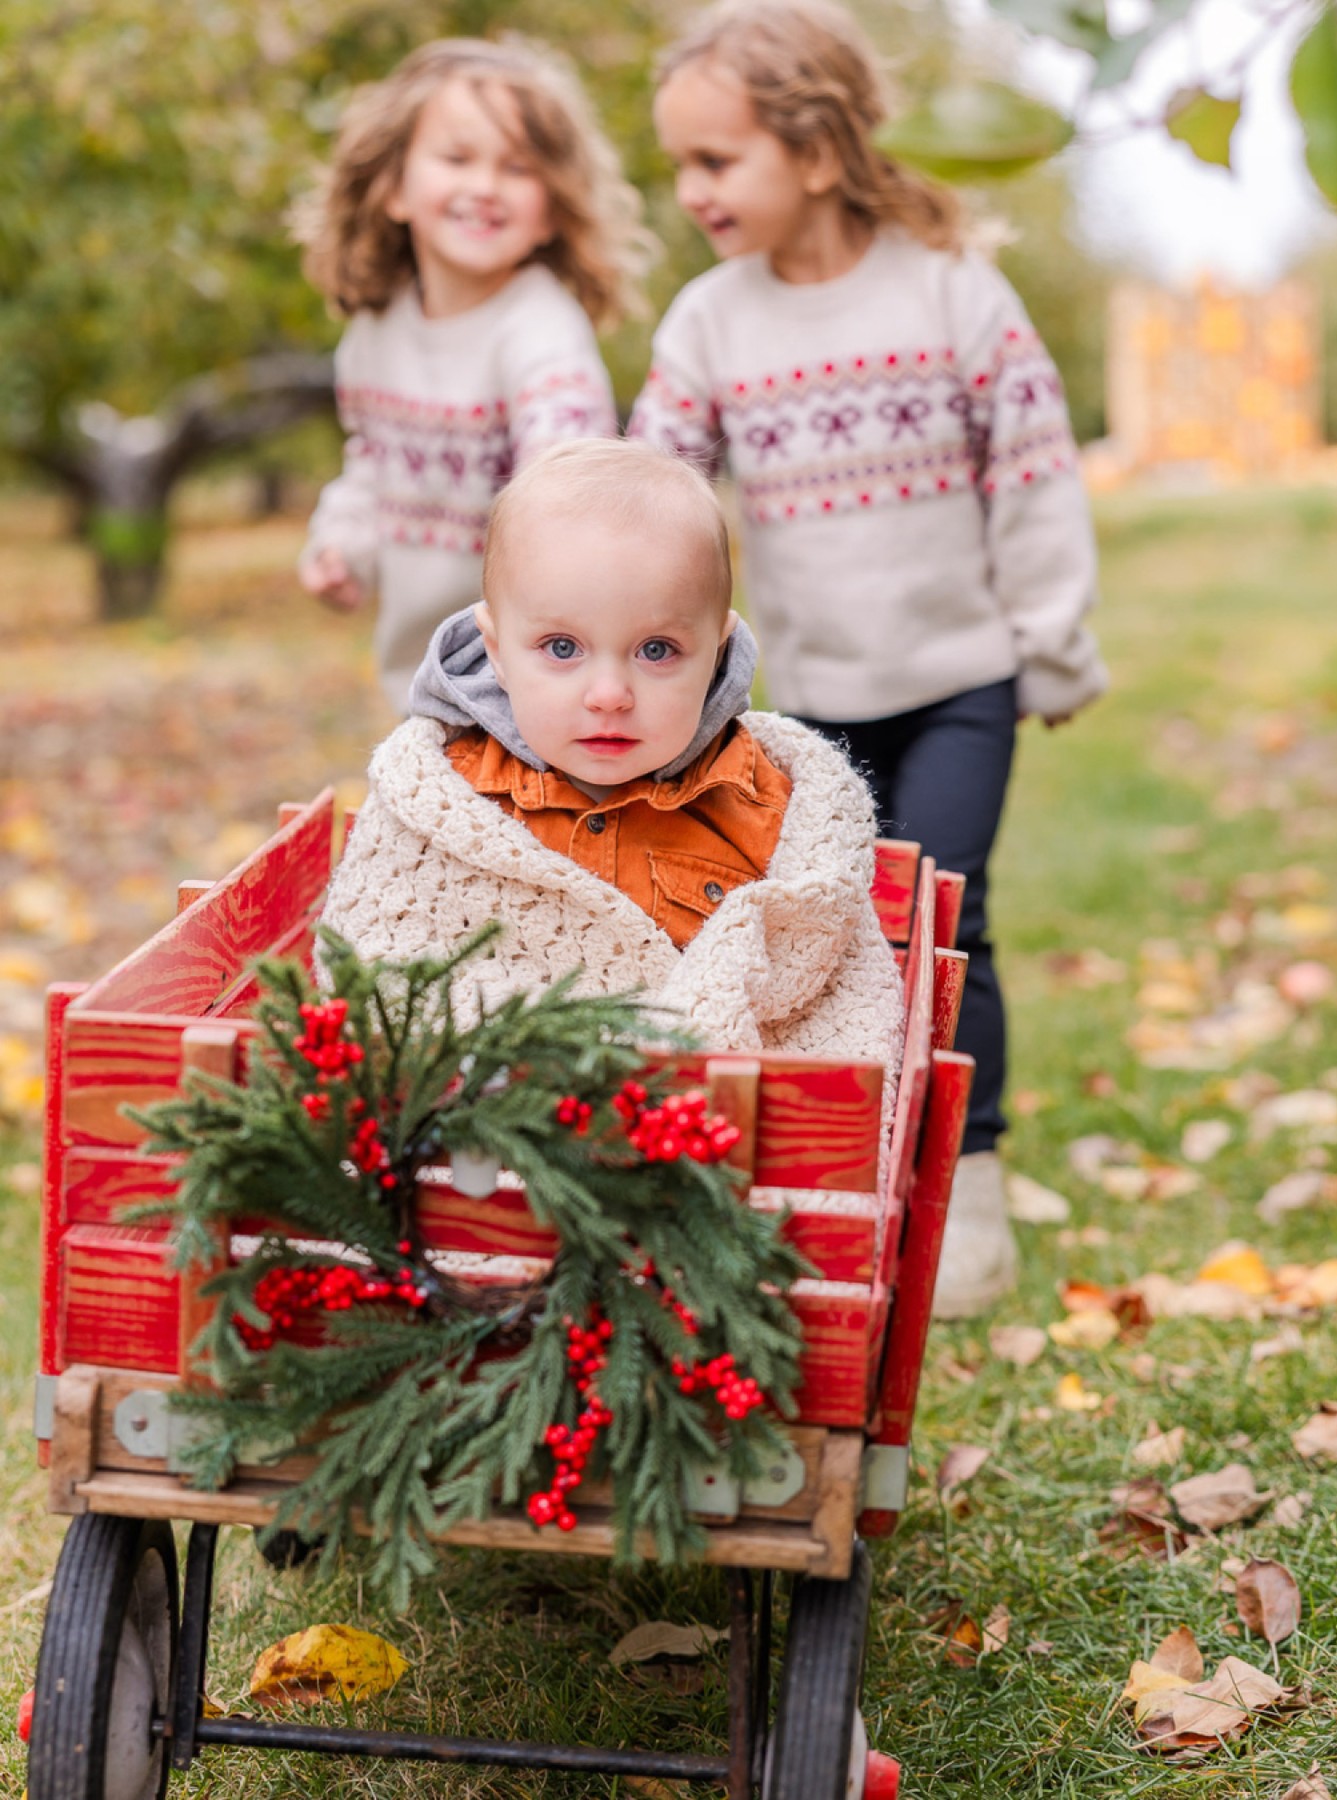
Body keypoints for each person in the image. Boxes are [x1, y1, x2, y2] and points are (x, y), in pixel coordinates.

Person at [629, 0, 1107, 1317]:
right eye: (679, 166)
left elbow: (1033, 479)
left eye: (715, 162)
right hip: (817, 701)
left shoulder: (952, 292)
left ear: (818, 151)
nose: (691, 193)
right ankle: (854, 1168)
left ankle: (971, 1191)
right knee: (839, 937)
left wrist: (1050, 645)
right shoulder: (708, 323)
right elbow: (655, 494)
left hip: (960, 678)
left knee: (945, 916)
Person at [321, 439, 904, 1084]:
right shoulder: (447, 798)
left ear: (716, 651)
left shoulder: (757, 802)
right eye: (562, 646)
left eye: (656, 650)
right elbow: (383, 966)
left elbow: (813, 969)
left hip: (703, 1127)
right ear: (497, 652)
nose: (608, 696)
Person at [295, 38, 651, 712]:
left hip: (533, 689)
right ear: (394, 186)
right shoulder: (375, 333)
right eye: (457, 158)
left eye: (517, 167)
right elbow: (374, 463)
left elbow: (566, 488)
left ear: (551, 206)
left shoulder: (540, 330)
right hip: (420, 681)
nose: (484, 186)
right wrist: (343, 544)